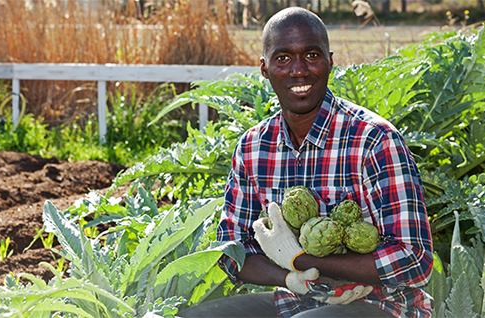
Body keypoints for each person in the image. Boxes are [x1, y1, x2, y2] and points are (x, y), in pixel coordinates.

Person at [179, 7, 433, 318]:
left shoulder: (374, 140)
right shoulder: (253, 147)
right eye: (283, 58)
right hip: (292, 301)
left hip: (382, 306)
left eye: (311, 55)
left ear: (330, 61)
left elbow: (414, 259)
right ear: (264, 68)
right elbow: (233, 250)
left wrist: (302, 260)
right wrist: (290, 278)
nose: (298, 70)